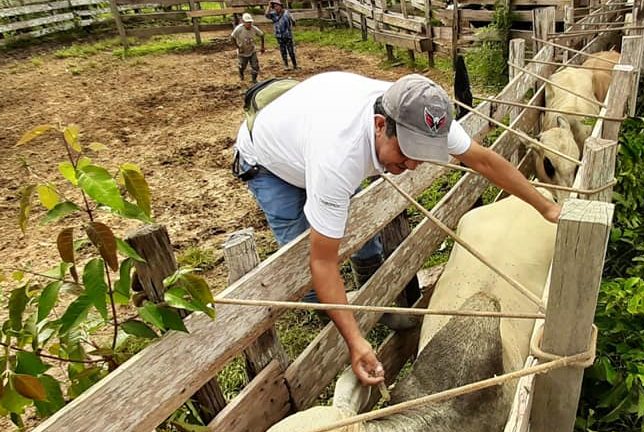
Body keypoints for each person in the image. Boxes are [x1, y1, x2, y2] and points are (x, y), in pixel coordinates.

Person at [232, 72, 561, 386]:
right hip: (269, 164)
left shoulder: (423, 115)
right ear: (380, 126)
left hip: (313, 131)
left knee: (357, 230)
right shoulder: (337, 158)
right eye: (407, 153)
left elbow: (484, 161)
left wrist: (546, 207)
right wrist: (355, 341)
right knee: (302, 251)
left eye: (423, 154)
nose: (414, 165)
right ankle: (331, 330)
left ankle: (377, 307)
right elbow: (323, 263)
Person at [230, 13, 266, 84]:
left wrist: (262, 47)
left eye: (250, 22)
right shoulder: (239, 29)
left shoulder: (254, 28)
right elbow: (232, 37)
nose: (249, 24)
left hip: (252, 50)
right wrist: (238, 47)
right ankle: (241, 72)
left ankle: (254, 79)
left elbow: (262, 35)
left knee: (255, 66)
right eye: (247, 22)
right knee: (243, 65)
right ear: (243, 22)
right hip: (242, 51)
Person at [265, 0, 297, 71]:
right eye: (275, 6)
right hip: (279, 36)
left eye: (277, 6)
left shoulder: (286, 13)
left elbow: (293, 20)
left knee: (291, 51)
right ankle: (286, 65)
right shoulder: (273, 14)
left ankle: (295, 65)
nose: (276, 8)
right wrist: (269, 6)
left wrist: (292, 22)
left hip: (288, 35)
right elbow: (266, 15)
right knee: (283, 51)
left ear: (281, 6)